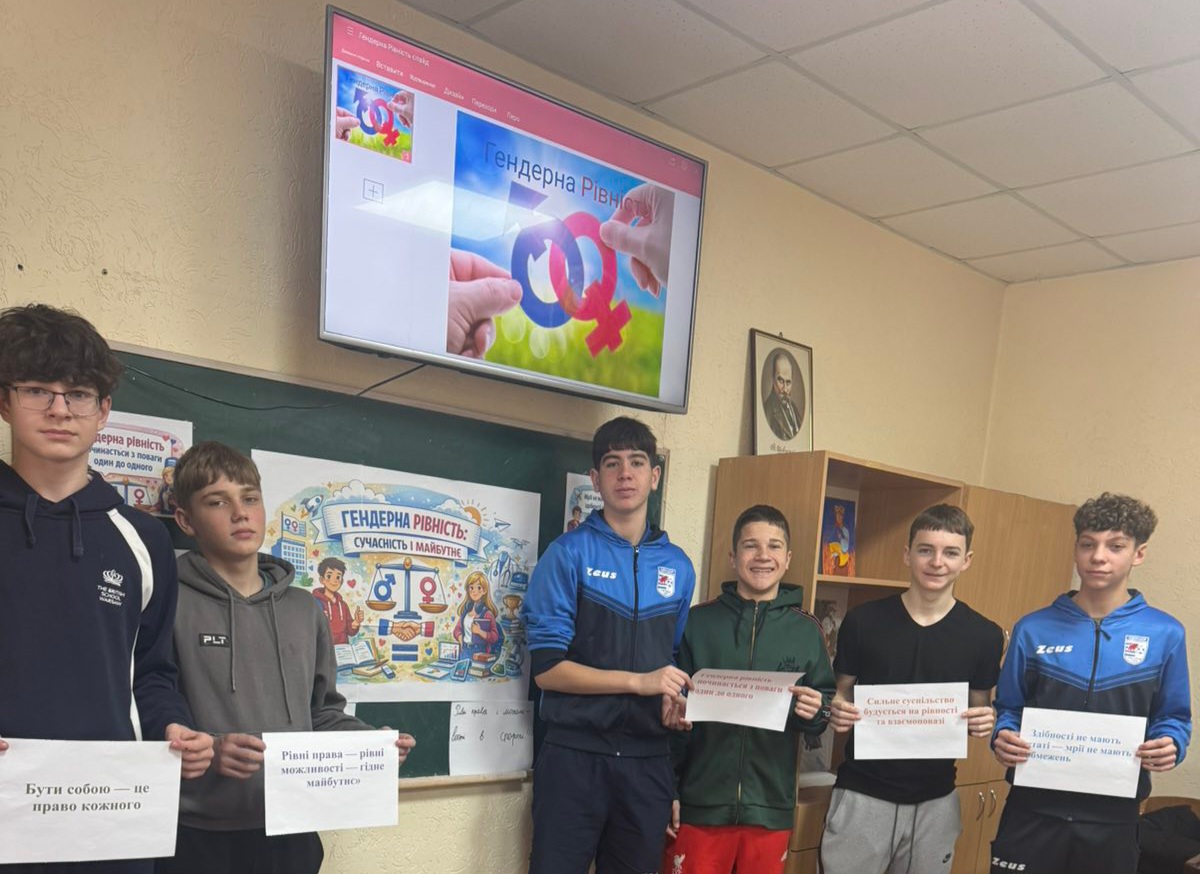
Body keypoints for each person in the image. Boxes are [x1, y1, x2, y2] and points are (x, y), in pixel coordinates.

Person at [0, 303, 214, 874]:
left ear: (103, 412)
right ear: (5, 402)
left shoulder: (144, 539)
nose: (59, 409)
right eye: (37, 390)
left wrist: (173, 726)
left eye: (78, 394)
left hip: (111, 820)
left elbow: (151, 671)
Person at [159, 441, 416, 874]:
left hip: (292, 825)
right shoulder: (167, 602)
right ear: (186, 520)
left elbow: (322, 713)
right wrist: (212, 748)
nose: (240, 514)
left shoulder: (304, 609)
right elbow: (150, 710)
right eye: (217, 502)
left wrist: (371, 743)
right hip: (196, 830)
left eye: (250, 499)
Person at [522, 416, 696, 874]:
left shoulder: (678, 567)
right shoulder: (567, 554)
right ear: (595, 479)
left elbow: (669, 662)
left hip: (647, 763)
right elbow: (548, 671)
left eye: (637, 462)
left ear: (654, 476)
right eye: (612, 463)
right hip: (574, 759)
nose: (625, 474)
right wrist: (640, 682)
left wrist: (672, 701)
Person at [989, 492, 1191, 874]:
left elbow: (1174, 717)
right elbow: (1009, 708)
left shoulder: (1166, 633)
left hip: (1113, 819)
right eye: (1087, 544)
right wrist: (1003, 735)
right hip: (1033, 811)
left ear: (1139, 554)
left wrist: (1171, 743)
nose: (1098, 556)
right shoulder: (1032, 628)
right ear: (1076, 549)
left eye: (1115, 546)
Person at [821, 504, 1004, 874]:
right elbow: (840, 693)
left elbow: (981, 707)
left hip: (935, 801)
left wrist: (986, 719)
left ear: (966, 561)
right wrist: (835, 709)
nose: (937, 562)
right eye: (925, 550)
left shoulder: (985, 635)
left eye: (950, 552)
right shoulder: (863, 621)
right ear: (907, 554)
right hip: (863, 794)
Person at [664, 504, 836, 874]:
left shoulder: (807, 630)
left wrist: (815, 712)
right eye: (750, 546)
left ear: (788, 559)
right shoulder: (697, 622)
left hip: (769, 808)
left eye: (774, 546)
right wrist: (668, 790)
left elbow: (824, 708)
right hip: (700, 805)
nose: (762, 556)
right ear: (733, 556)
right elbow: (673, 721)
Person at [453, 569, 504, 663]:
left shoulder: (487, 614)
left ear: (484, 590)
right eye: (471, 587)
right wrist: (460, 638)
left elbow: (495, 636)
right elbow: (457, 629)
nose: (474, 591)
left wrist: (480, 632)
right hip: (464, 650)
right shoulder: (466, 611)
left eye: (479, 588)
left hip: (480, 652)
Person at [312, 555, 363, 645]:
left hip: (344, 649)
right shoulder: (315, 603)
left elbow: (350, 631)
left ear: (342, 581)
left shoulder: (343, 605)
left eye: (338, 577)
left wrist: (355, 623)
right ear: (322, 579)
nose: (334, 580)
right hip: (325, 649)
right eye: (329, 576)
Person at [763, 352, 801, 441]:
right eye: (780, 381)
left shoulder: (794, 408)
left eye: (788, 382)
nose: (785, 389)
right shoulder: (767, 412)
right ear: (773, 379)